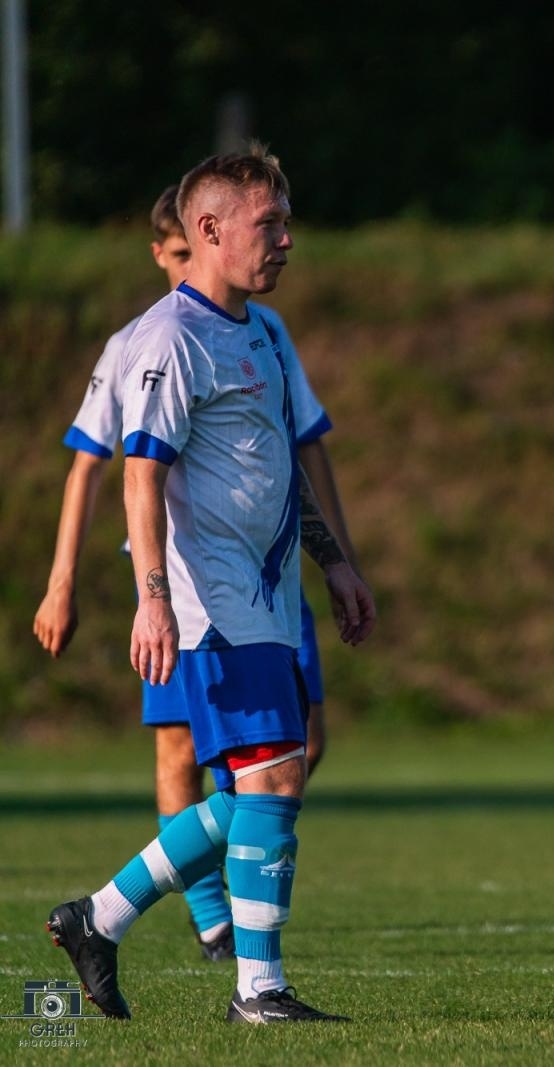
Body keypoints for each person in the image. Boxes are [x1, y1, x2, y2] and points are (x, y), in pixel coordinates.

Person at [46, 144, 377, 1024]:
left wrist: (333, 557)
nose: (287, 241)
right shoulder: (168, 339)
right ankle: (257, 990)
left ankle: (98, 917)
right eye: (270, 224)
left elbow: (277, 465)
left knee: (248, 791)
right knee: (273, 778)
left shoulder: (262, 334)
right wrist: (152, 598)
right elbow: (138, 474)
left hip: (266, 599)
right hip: (213, 605)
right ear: (208, 230)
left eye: (286, 223)